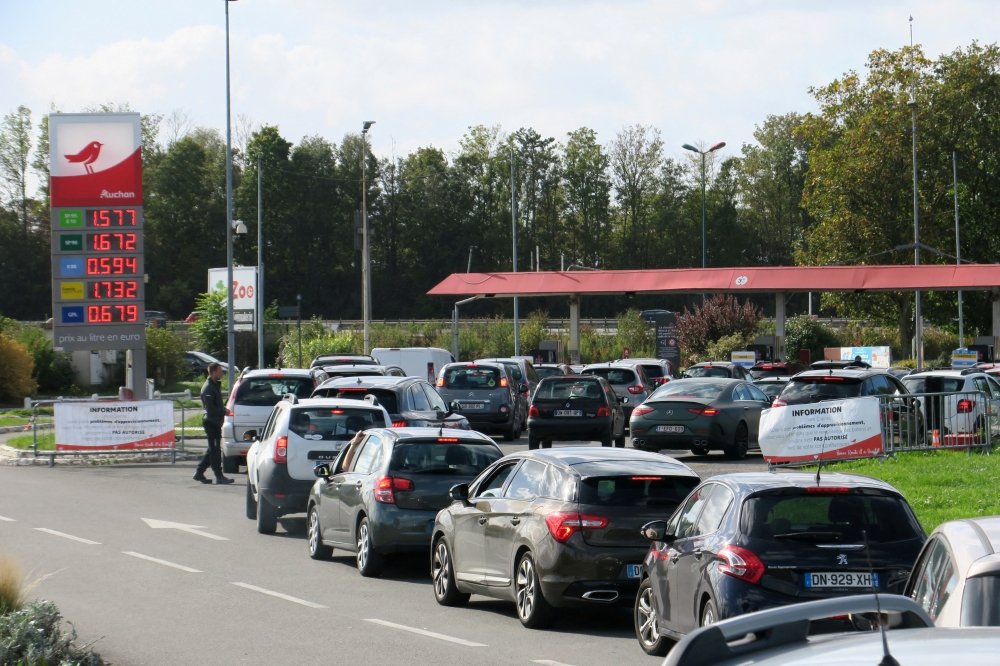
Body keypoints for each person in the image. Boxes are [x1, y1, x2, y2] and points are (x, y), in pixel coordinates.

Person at [194, 362, 234, 484]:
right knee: (215, 450)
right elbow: (210, 407)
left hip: (216, 422)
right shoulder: (208, 387)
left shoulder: (215, 385)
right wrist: (223, 411)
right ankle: (219, 475)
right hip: (211, 422)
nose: (222, 373)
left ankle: (199, 473)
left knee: (213, 449)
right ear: (213, 372)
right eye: (220, 371)